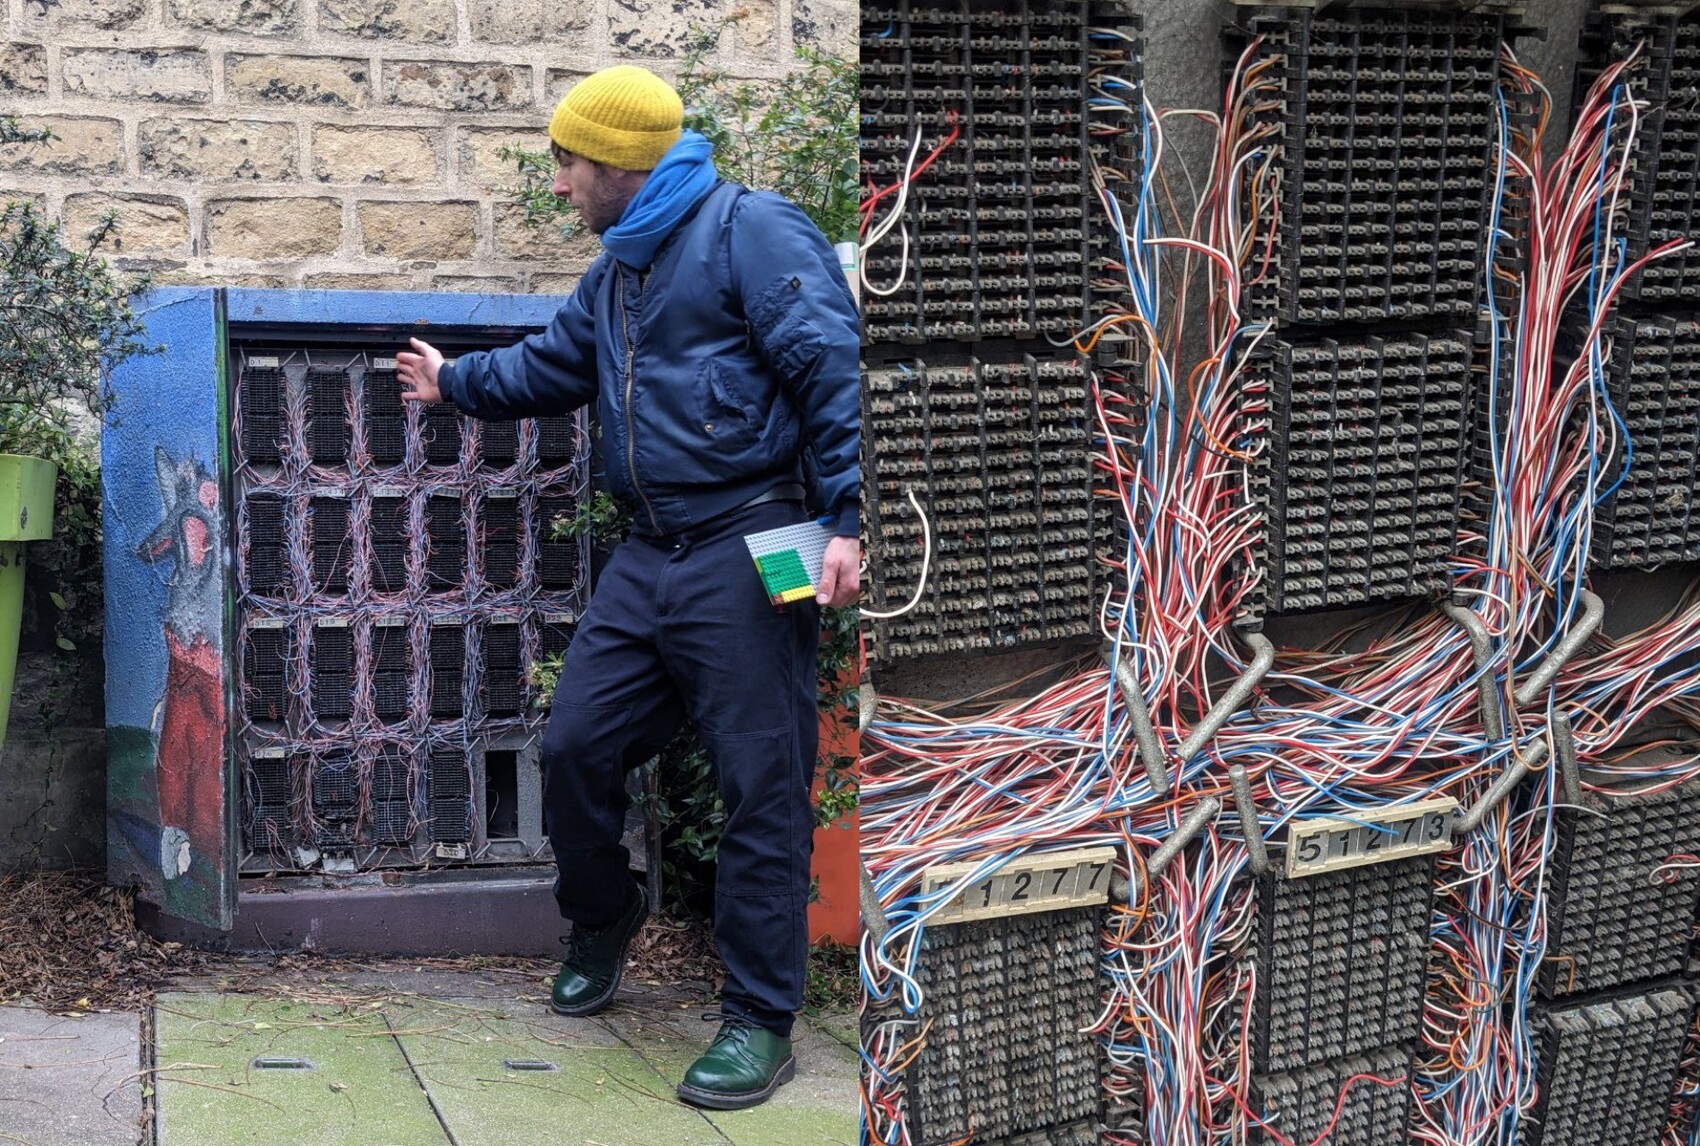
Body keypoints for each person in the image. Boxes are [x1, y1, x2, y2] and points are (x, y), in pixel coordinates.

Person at [395, 64, 859, 1111]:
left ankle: (758, 1020)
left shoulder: (749, 232)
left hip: (755, 538)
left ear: (617, 164)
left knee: (761, 783)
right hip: (652, 553)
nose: (558, 184)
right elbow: (554, 364)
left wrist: (849, 518)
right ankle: (605, 915)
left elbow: (833, 367)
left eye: (567, 163)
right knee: (576, 745)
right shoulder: (619, 274)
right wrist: (454, 380)